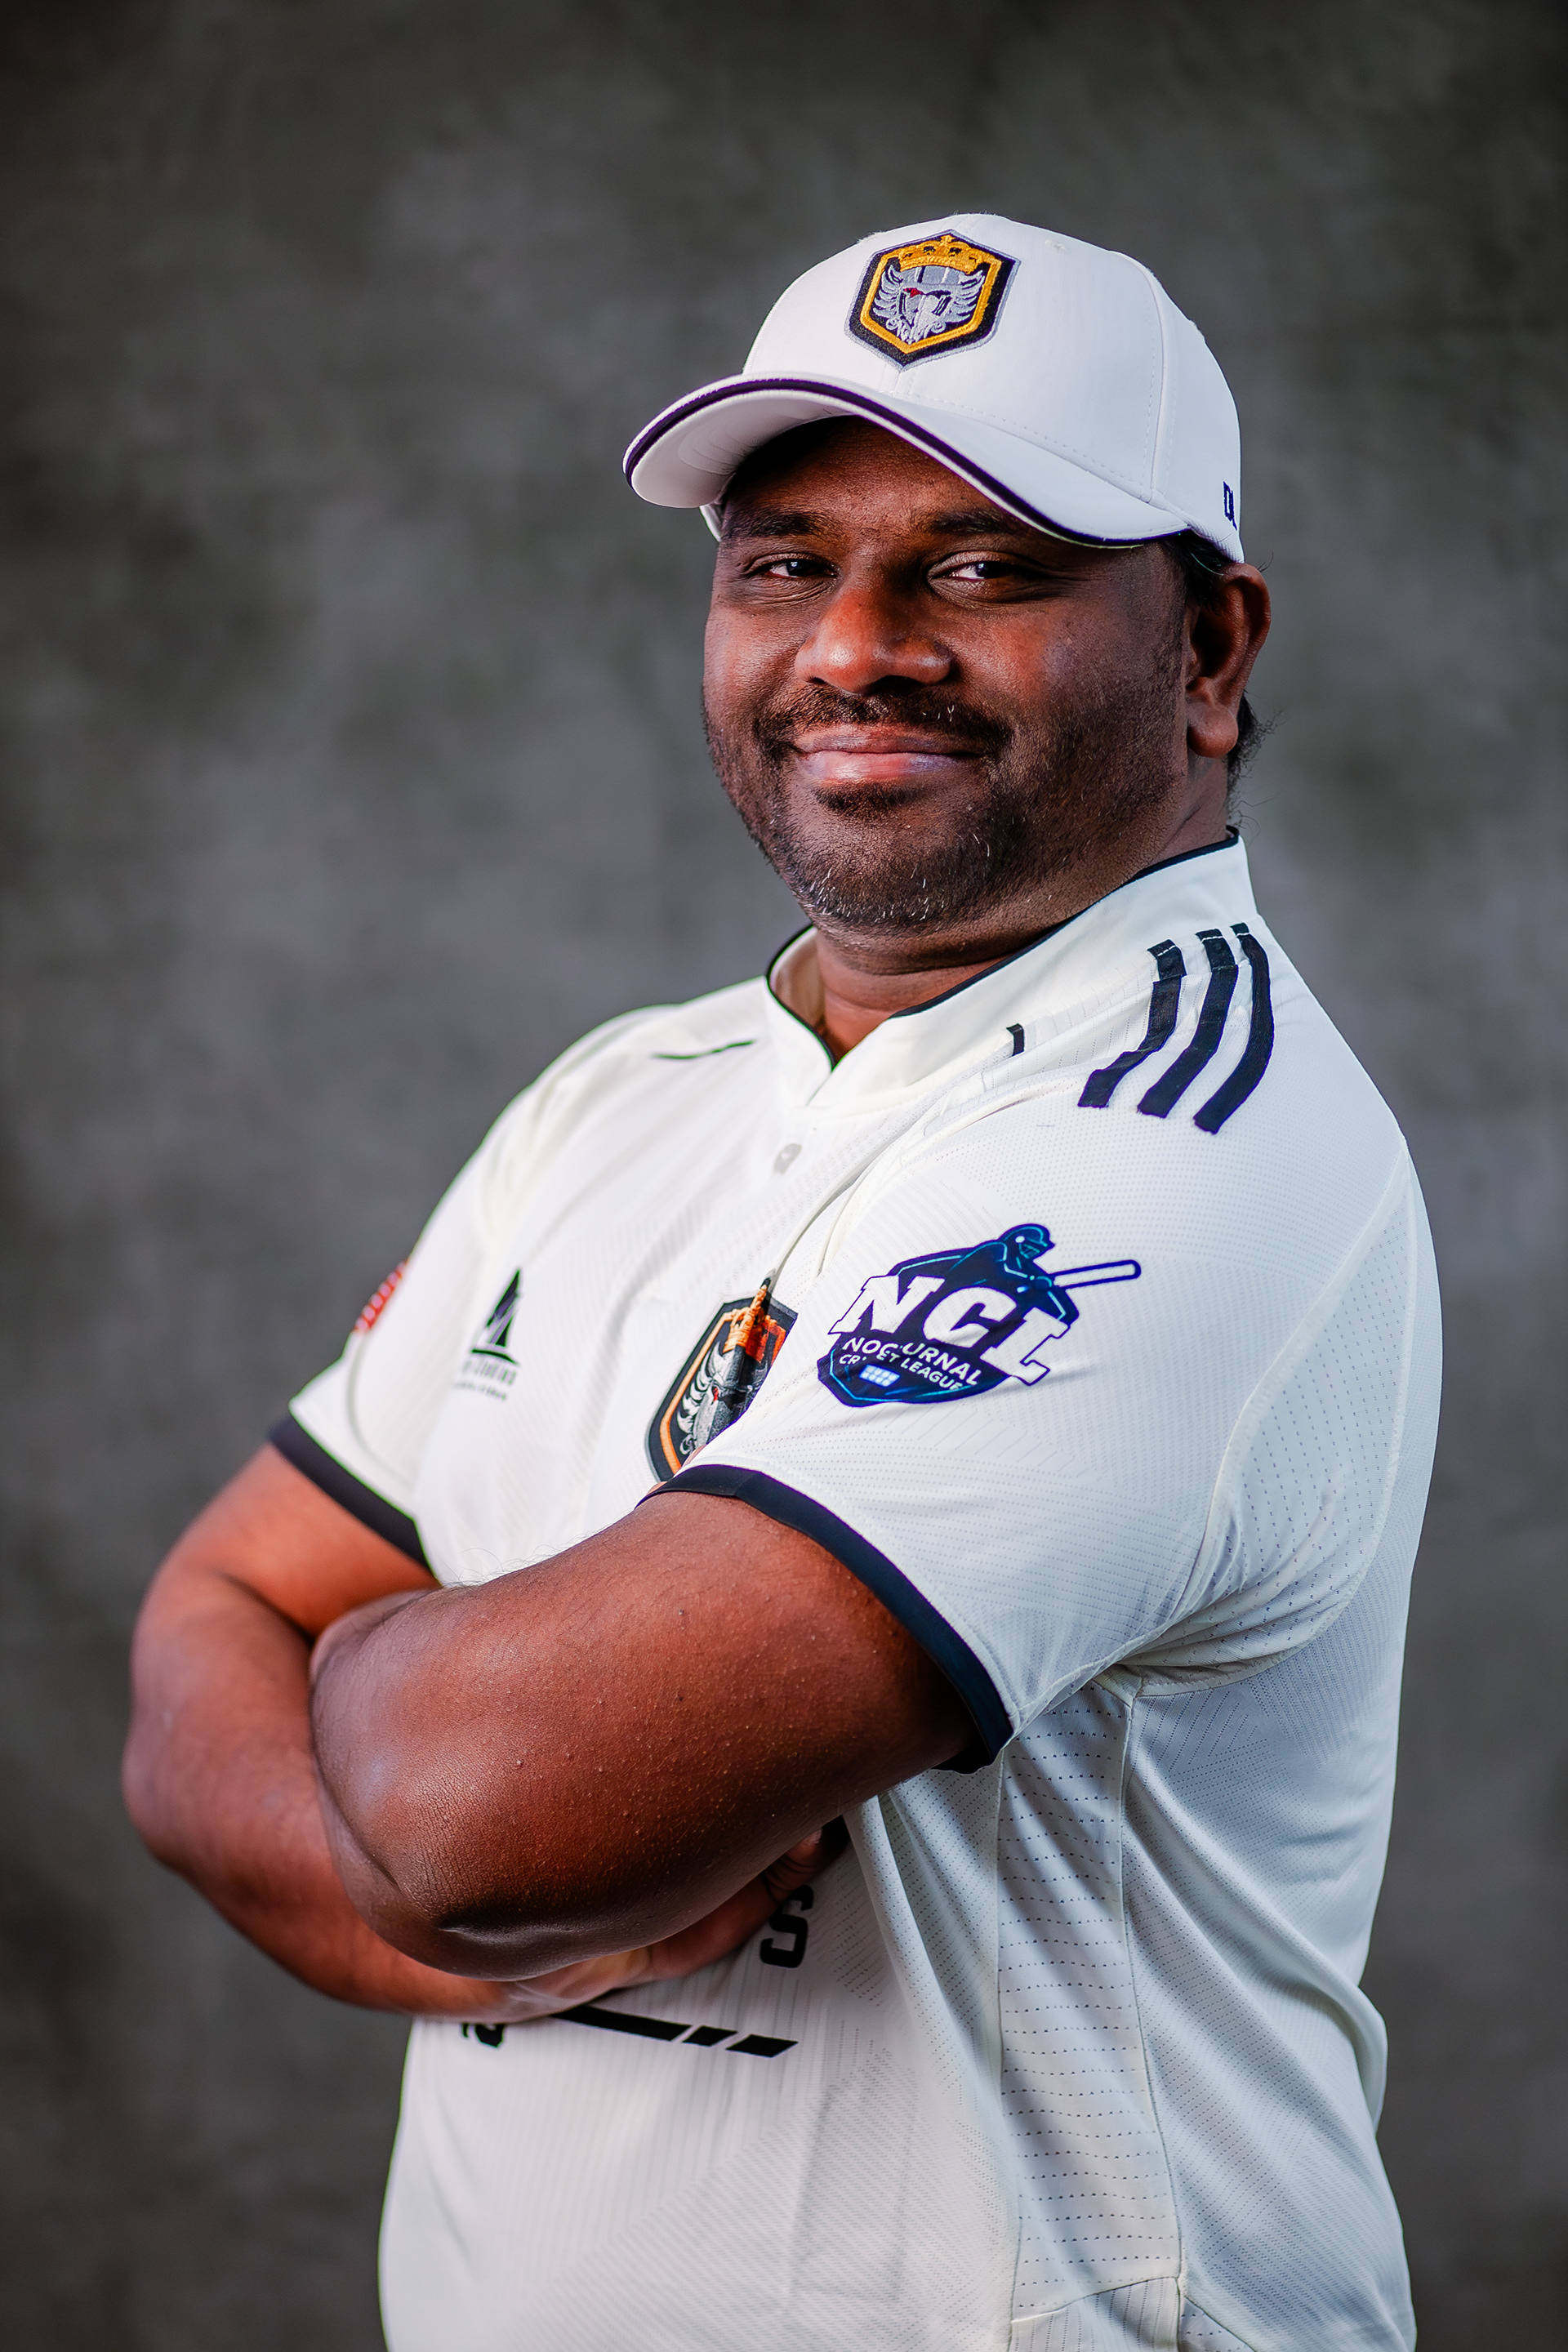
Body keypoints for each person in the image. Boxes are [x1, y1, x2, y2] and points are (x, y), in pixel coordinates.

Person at [123, 215, 1439, 2352]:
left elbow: (478, 1806)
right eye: (781, 562)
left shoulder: (1196, 1143)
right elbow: (209, 1639)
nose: (855, 644)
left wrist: (384, 1694)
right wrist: (462, 1907)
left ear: (1209, 648)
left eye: (983, 565)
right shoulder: (618, 1097)